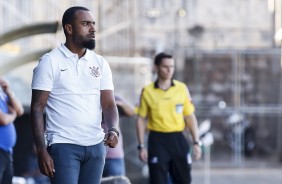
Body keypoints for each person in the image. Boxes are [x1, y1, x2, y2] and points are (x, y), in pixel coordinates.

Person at [30, 6, 119, 184]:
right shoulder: (50, 61)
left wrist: (114, 129)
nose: (92, 29)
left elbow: (109, 104)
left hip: (96, 147)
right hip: (63, 146)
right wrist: (41, 150)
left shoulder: (100, 63)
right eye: (86, 24)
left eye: (93, 24)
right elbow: (37, 108)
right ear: (69, 28)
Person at [136, 52, 202, 184]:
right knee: (157, 180)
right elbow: (141, 119)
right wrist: (141, 146)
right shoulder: (147, 91)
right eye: (165, 66)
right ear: (156, 67)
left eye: (171, 66)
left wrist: (196, 142)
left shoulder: (181, 88)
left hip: (178, 138)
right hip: (157, 140)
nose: (169, 70)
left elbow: (189, 117)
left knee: (183, 180)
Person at [102, 95, 135, 177]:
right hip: (92, 156)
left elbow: (132, 112)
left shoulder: (113, 96)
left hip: (114, 155)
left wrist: (116, 104)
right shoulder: (87, 97)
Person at [0, 77, 24, 184]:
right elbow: (4, 120)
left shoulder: (3, 96)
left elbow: (20, 110)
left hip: (7, 152)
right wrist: (13, 115)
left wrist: (9, 91)